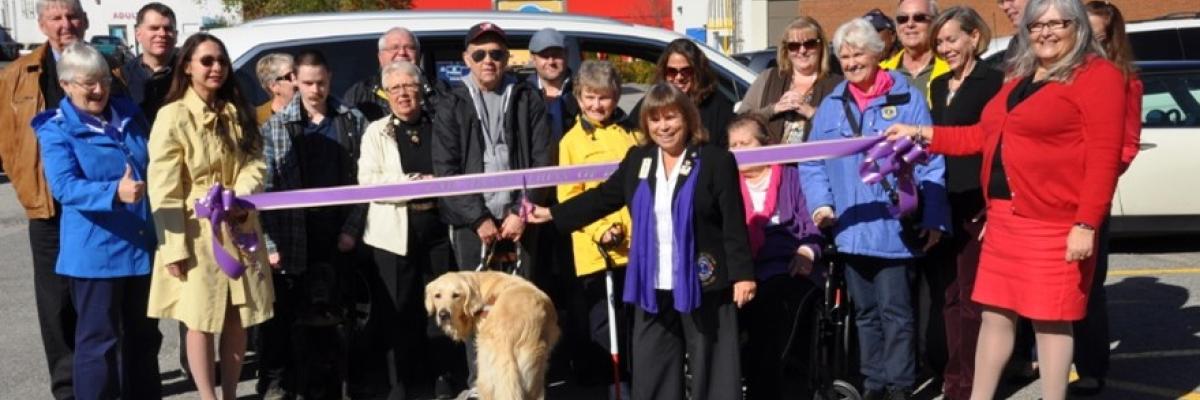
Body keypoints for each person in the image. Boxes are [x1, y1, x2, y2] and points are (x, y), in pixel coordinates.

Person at [885, 1, 1127, 399]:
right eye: (1037, 25)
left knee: (1052, 320)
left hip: (1056, 222)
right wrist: (920, 133)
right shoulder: (1020, 77)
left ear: (1078, 26)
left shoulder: (1096, 76)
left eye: (1057, 23)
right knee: (995, 315)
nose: (1045, 32)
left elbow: (1104, 158)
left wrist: (1086, 224)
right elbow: (979, 136)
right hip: (1003, 218)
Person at [527, 82, 756, 400]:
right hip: (652, 282)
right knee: (652, 367)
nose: (664, 126)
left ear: (687, 118)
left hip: (704, 281)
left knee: (712, 367)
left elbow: (733, 221)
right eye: (655, 119)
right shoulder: (638, 159)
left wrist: (743, 274)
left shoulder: (715, 160)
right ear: (646, 124)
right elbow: (604, 198)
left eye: (671, 117)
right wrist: (552, 213)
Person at [800, 17, 949, 400]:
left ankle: (899, 385)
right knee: (864, 313)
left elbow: (931, 161)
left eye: (857, 54)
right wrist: (821, 205)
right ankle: (874, 383)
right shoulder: (830, 106)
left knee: (896, 314)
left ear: (877, 53)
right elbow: (812, 161)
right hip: (850, 230)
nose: (850, 63)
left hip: (894, 230)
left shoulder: (906, 98)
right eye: (844, 56)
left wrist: (933, 216)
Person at [146, 32, 274, 400]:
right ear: (187, 66)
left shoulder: (237, 111)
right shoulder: (172, 116)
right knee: (199, 320)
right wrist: (172, 250)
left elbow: (255, 161)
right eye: (206, 61)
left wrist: (241, 194)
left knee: (237, 317)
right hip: (195, 234)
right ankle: (208, 396)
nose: (216, 67)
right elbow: (163, 188)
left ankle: (230, 394)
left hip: (239, 227)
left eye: (221, 60)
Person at [34, 41, 162, 400]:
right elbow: (64, 187)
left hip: (141, 248)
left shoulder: (129, 114)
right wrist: (112, 193)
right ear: (66, 85)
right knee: (99, 343)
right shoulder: (55, 129)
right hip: (95, 256)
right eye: (88, 82)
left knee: (144, 338)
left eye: (103, 79)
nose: (98, 89)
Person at [431, 21, 550, 395]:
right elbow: (445, 170)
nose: (488, 61)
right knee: (471, 310)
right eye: (479, 54)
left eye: (497, 54)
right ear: (466, 58)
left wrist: (522, 210)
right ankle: (481, 386)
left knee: (522, 308)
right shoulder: (451, 102)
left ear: (507, 59)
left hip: (521, 219)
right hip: (472, 224)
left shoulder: (528, 98)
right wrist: (478, 217)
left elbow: (544, 160)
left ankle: (525, 387)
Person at [260, 49, 370, 399]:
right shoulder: (276, 127)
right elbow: (263, 190)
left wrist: (352, 229)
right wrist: (271, 246)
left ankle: (343, 384)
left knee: (340, 317)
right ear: (293, 80)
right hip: (293, 235)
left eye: (321, 82)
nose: (314, 90)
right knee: (284, 320)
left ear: (330, 79)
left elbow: (367, 182)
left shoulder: (352, 120)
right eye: (307, 82)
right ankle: (278, 384)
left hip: (340, 234)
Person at [0, 1, 90, 397]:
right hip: (48, 209)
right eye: (56, 18)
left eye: (71, 16)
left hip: (98, 205)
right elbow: (6, 140)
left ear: (84, 22)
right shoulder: (17, 75)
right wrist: (26, 187)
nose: (65, 24)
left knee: (100, 300)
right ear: (41, 25)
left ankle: (106, 378)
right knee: (56, 306)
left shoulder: (110, 69)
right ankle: (68, 388)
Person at [358, 60, 458, 400]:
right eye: (396, 88)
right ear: (386, 94)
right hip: (393, 235)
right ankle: (400, 386)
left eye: (409, 86)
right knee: (398, 313)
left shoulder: (439, 124)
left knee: (443, 311)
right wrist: (412, 183)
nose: (404, 94)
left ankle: (443, 380)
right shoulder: (376, 131)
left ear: (421, 88)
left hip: (438, 232)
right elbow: (368, 180)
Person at [925, 6, 1003, 400]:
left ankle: (970, 386)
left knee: (974, 298)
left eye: (951, 39)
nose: (944, 48)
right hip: (943, 201)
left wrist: (996, 206)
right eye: (939, 42)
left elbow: (1000, 147)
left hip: (978, 201)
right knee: (949, 294)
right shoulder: (939, 86)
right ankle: (955, 375)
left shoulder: (994, 82)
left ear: (974, 37)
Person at [1071, 1, 1143, 395]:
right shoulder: (1062, 74)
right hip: (1050, 194)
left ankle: (1092, 366)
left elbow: (1126, 147)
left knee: (1088, 287)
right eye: (1085, 36)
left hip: (1088, 195)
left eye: (1097, 38)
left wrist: (1094, 177)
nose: (1090, 46)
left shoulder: (1124, 79)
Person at [555, 60, 637, 397]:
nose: (597, 105)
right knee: (604, 328)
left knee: (633, 325)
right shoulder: (571, 142)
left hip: (635, 248)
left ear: (616, 97)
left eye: (604, 97)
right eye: (590, 97)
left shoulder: (631, 133)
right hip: (596, 250)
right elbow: (569, 197)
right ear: (578, 97)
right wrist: (600, 230)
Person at [727, 114, 823, 399]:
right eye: (733, 145)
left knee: (772, 305)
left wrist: (807, 251)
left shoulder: (792, 177)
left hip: (788, 265)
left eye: (745, 143)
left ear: (766, 145)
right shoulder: (726, 182)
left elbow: (811, 222)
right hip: (744, 268)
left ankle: (767, 387)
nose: (738, 151)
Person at [738, 16, 842, 144]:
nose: (802, 50)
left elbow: (845, 128)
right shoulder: (768, 78)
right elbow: (740, 123)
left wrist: (811, 112)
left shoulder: (838, 85)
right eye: (794, 46)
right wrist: (774, 109)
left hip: (816, 161)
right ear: (786, 50)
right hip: (770, 161)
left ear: (821, 47)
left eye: (810, 44)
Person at [627, 39, 736, 148]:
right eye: (672, 71)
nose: (679, 77)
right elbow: (630, 135)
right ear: (664, 73)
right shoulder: (651, 103)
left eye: (686, 71)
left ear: (698, 71)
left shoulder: (717, 106)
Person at [344, 27, 446, 121]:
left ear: (419, 55)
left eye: (410, 47)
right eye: (394, 47)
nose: (402, 52)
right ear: (380, 56)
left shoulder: (440, 90)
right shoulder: (360, 93)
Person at [879, 0, 949, 103]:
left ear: (935, 23)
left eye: (919, 18)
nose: (910, 24)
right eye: (902, 19)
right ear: (897, 27)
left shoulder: (952, 69)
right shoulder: (881, 72)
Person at [119, 2, 177, 124]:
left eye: (168, 29)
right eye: (154, 28)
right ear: (138, 34)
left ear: (175, 35)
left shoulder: (189, 73)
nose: (162, 34)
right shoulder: (122, 77)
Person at [528, 27, 578, 147]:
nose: (551, 61)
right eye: (544, 56)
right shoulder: (522, 95)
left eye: (556, 55)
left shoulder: (583, 92)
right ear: (533, 59)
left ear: (566, 55)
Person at [254, 53, 296, 125]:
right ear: (273, 86)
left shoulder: (313, 111)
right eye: (290, 77)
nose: (298, 81)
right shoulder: (258, 120)